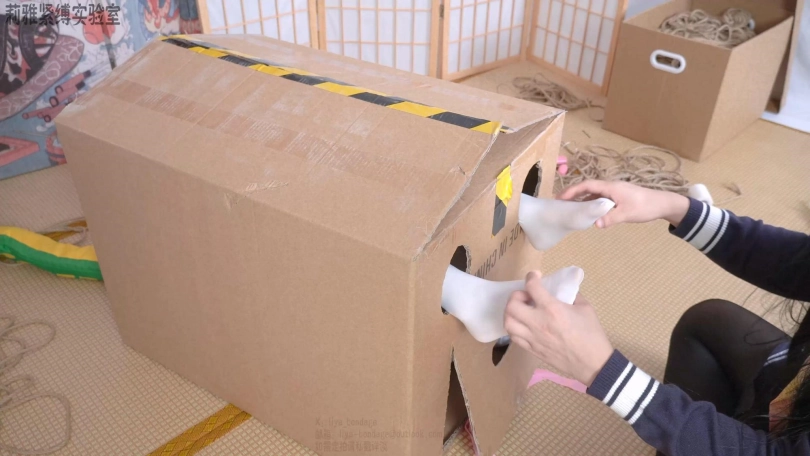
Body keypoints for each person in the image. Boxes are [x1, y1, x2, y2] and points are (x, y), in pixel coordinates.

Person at [504, 180, 810, 455]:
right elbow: (798, 260)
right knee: (707, 323)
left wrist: (604, 370)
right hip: (794, 388)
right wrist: (676, 208)